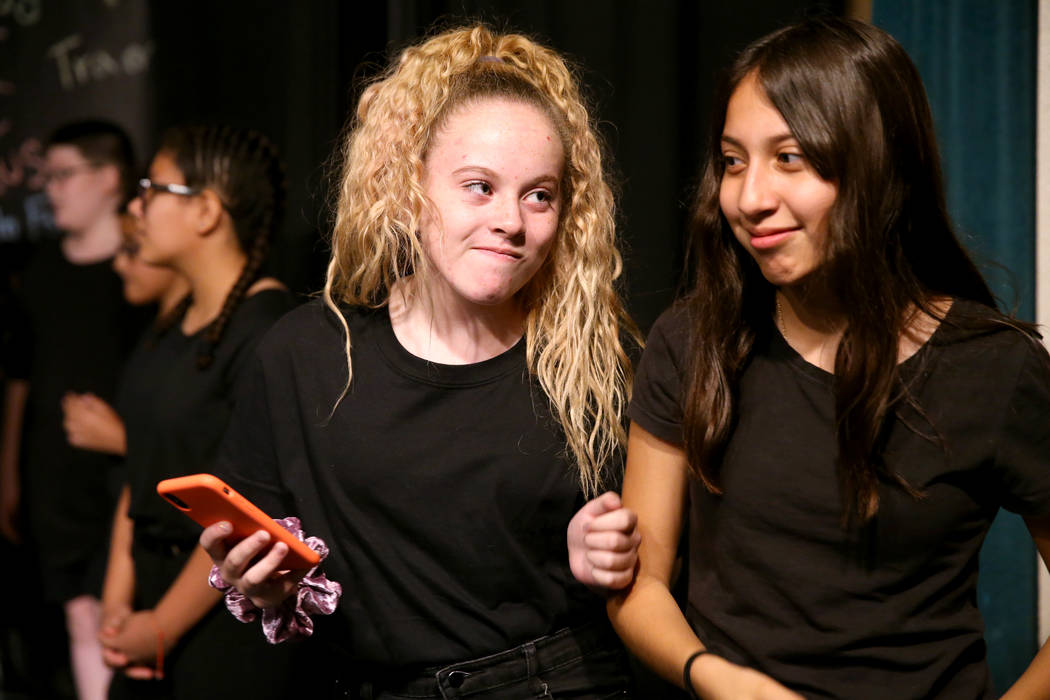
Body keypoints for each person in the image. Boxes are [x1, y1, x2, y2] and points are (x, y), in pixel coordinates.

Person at [586, 17, 1050, 700]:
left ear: (876, 163)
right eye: (734, 160)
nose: (750, 198)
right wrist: (720, 681)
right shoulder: (695, 341)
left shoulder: (996, 368)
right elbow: (638, 585)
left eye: (790, 158)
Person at [201, 24, 641, 699]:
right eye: (478, 186)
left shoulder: (590, 361)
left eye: (539, 194)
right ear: (411, 189)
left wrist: (601, 557)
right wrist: (260, 584)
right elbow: (260, 566)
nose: (511, 222)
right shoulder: (306, 355)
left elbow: (667, 566)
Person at [97, 125, 303, 699]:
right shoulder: (174, 319)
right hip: (147, 594)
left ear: (206, 211)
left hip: (220, 612)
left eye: (153, 189)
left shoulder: (266, 330)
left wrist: (161, 627)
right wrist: (118, 603)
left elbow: (249, 505)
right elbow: (141, 471)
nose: (137, 206)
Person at [1, 120, 140, 700]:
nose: (51, 190)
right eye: (48, 177)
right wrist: (8, 474)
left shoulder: (142, 269)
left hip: (123, 475)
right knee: (78, 618)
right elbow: (19, 381)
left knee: (119, 617)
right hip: (55, 476)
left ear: (109, 177)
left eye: (64, 175)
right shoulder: (38, 276)